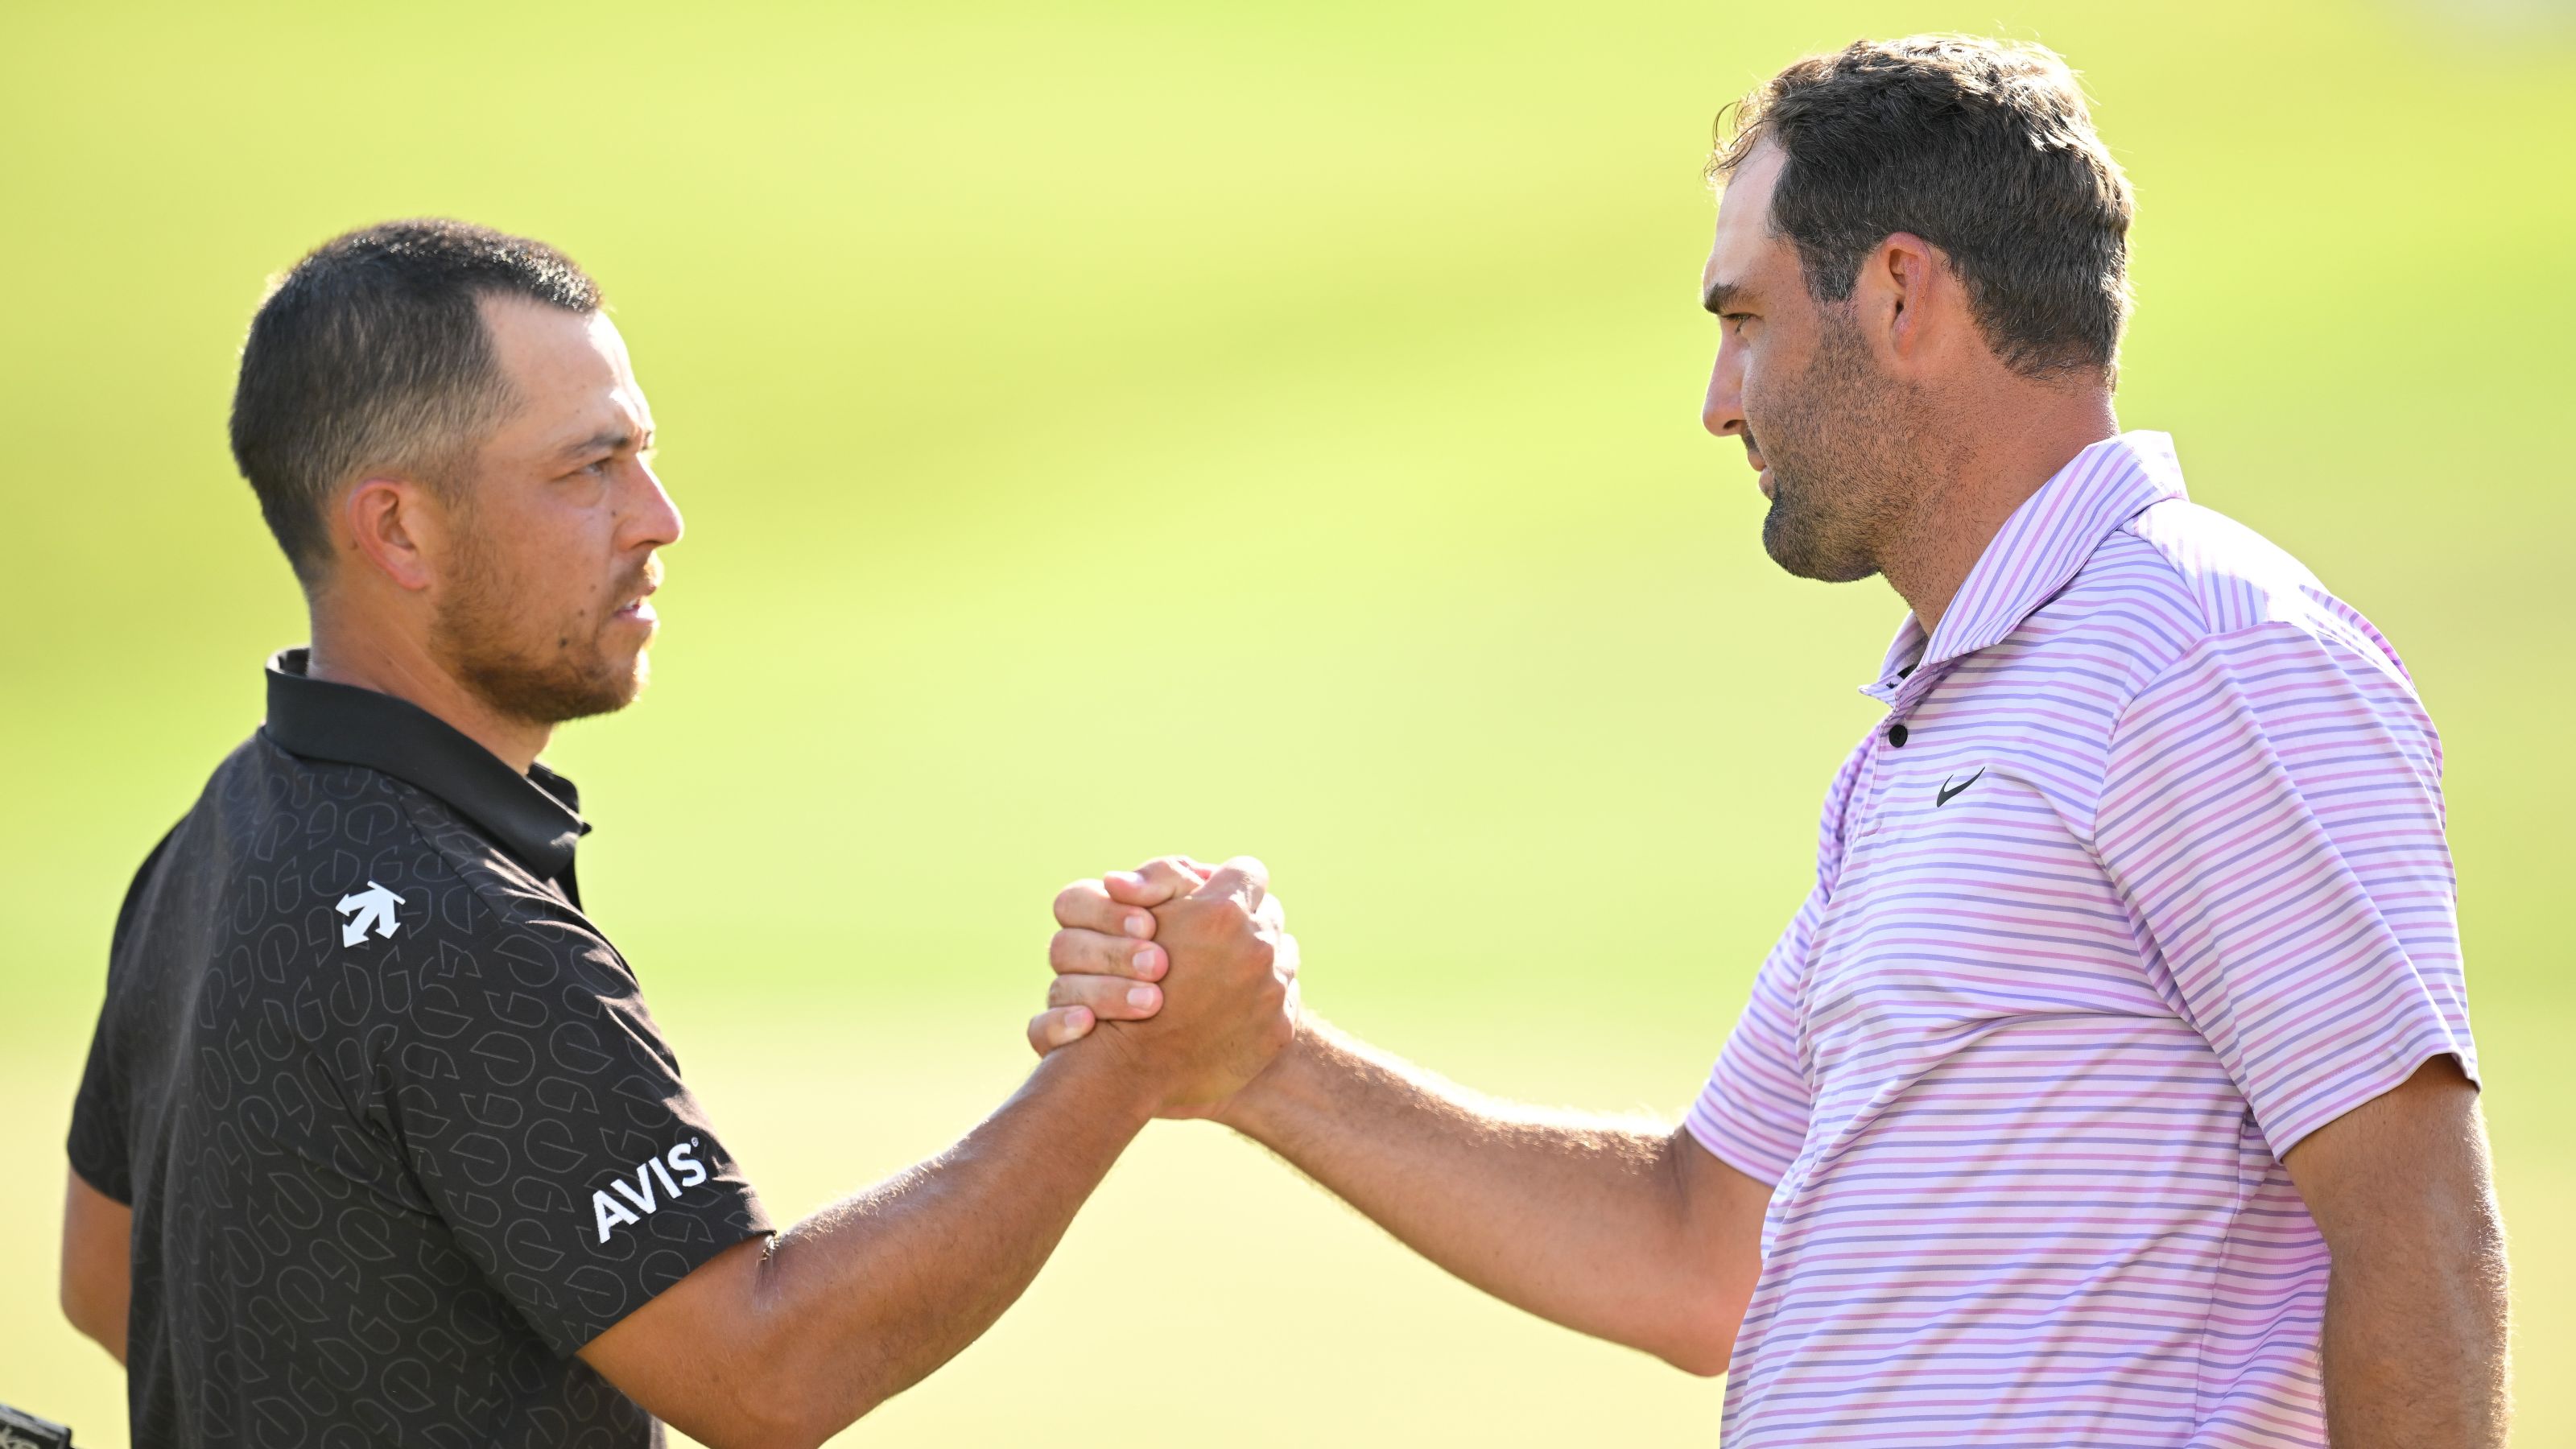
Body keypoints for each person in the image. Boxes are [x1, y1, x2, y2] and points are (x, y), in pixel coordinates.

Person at [1034, 35, 2510, 1447]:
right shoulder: (1939, 731)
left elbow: (2416, 1222)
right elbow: (1693, 1255)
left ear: (1899, 296)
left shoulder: (2206, 654)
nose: (1718, 404)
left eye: (1745, 322)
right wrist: (1261, 1067)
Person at [56, 219, 1299, 1449]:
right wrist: (1126, 1062)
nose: (659, 518)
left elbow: (109, 1281)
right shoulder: (461, 937)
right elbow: (766, 1375)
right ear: (399, 532)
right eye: (587, 469)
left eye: (642, 455)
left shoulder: (224, 828)